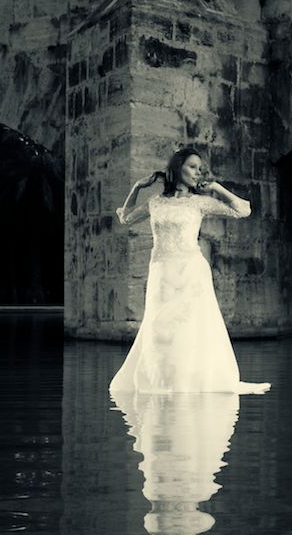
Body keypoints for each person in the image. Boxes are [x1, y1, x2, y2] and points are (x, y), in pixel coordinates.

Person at [109, 147, 270, 395]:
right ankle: (163, 382)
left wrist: (216, 188)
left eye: (199, 168)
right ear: (177, 166)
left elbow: (242, 210)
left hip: (190, 271)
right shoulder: (155, 202)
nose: (198, 172)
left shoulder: (200, 203)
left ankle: (188, 383)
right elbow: (126, 218)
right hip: (161, 271)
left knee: (189, 327)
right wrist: (138, 187)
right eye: (192, 166)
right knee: (160, 328)